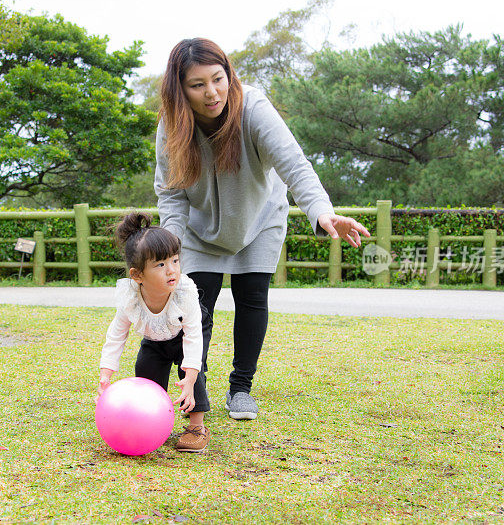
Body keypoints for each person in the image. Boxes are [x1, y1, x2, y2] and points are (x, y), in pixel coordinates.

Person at [155, 38, 371, 421]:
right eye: (198, 84)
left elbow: (294, 164)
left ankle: (241, 388)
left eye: (218, 78)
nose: (212, 92)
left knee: (252, 297)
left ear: (229, 74)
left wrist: (322, 211)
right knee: (195, 306)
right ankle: (195, 389)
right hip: (201, 227)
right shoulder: (172, 126)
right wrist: (172, 244)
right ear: (179, 89)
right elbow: (171, 194)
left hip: (260, 218)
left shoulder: (252, 107)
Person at [97, 212, 212, 453]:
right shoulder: (130, 298)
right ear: (137, 275)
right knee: (146, 372)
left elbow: (193, 336)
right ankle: (154, 418)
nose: (171, 270)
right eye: (160, 264)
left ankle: (196, 426)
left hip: (186, 333)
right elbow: (116, 335)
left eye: (175, 260)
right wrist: (106, 373)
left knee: (191, 373)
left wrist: (190, 379)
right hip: (154, 337)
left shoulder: (184, 293)